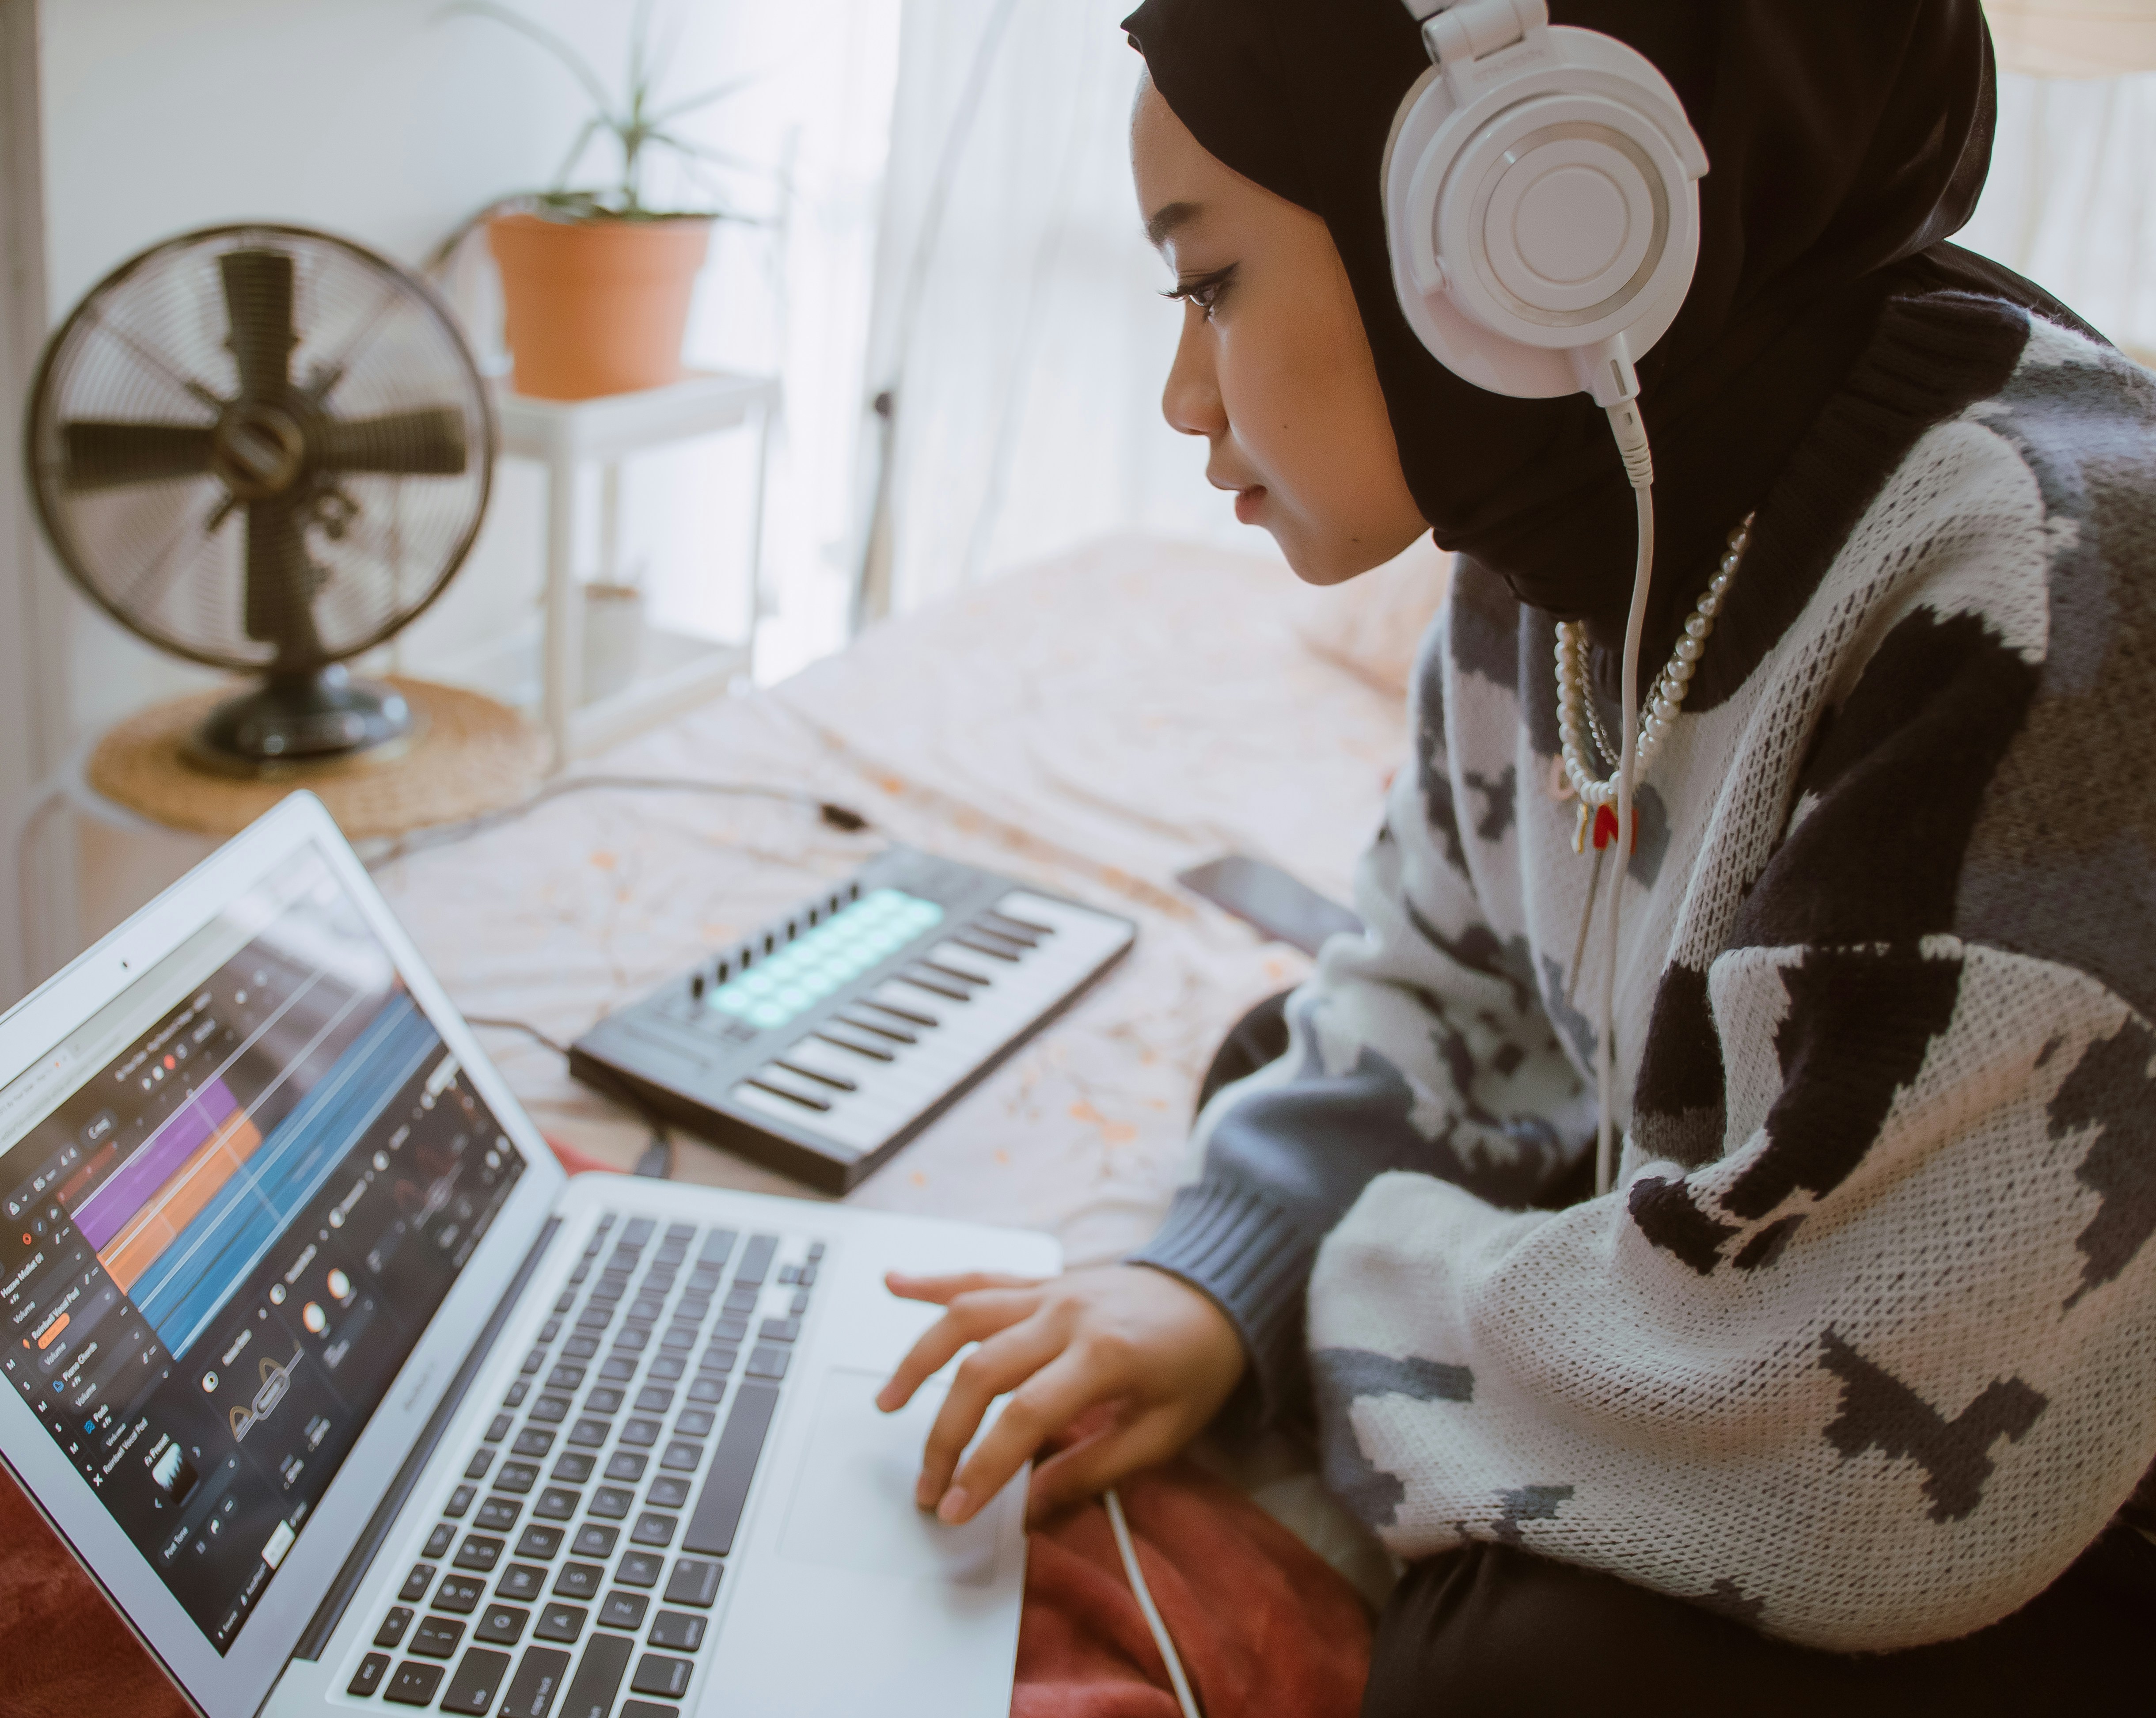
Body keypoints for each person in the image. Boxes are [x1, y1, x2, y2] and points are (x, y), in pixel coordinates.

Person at [878, 1, 2156, 1709]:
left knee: (1515, 1679)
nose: (1185, 392)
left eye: (1211, 284)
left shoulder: (2038, 599)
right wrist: (1211, 1277)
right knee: (1275, 1082)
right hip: (1789, 1235)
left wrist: (1339, 1292)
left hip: (2066, 1468)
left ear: (1528, 218)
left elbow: (1852, 1451)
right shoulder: (1564, 518)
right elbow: (1436, 966)